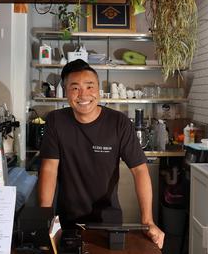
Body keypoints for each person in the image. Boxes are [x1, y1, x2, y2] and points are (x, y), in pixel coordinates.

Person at [38, 59, 165, 249]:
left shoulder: (118, 122)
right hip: (67, 223)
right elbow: (49, 169)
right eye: (75, 88)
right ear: (66, 92)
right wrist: (43, 219)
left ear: (98, 90)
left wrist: (148, 221)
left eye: (90, 86)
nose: (83, 94)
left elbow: (139, 170)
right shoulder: (56, 121)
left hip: (109, 223)